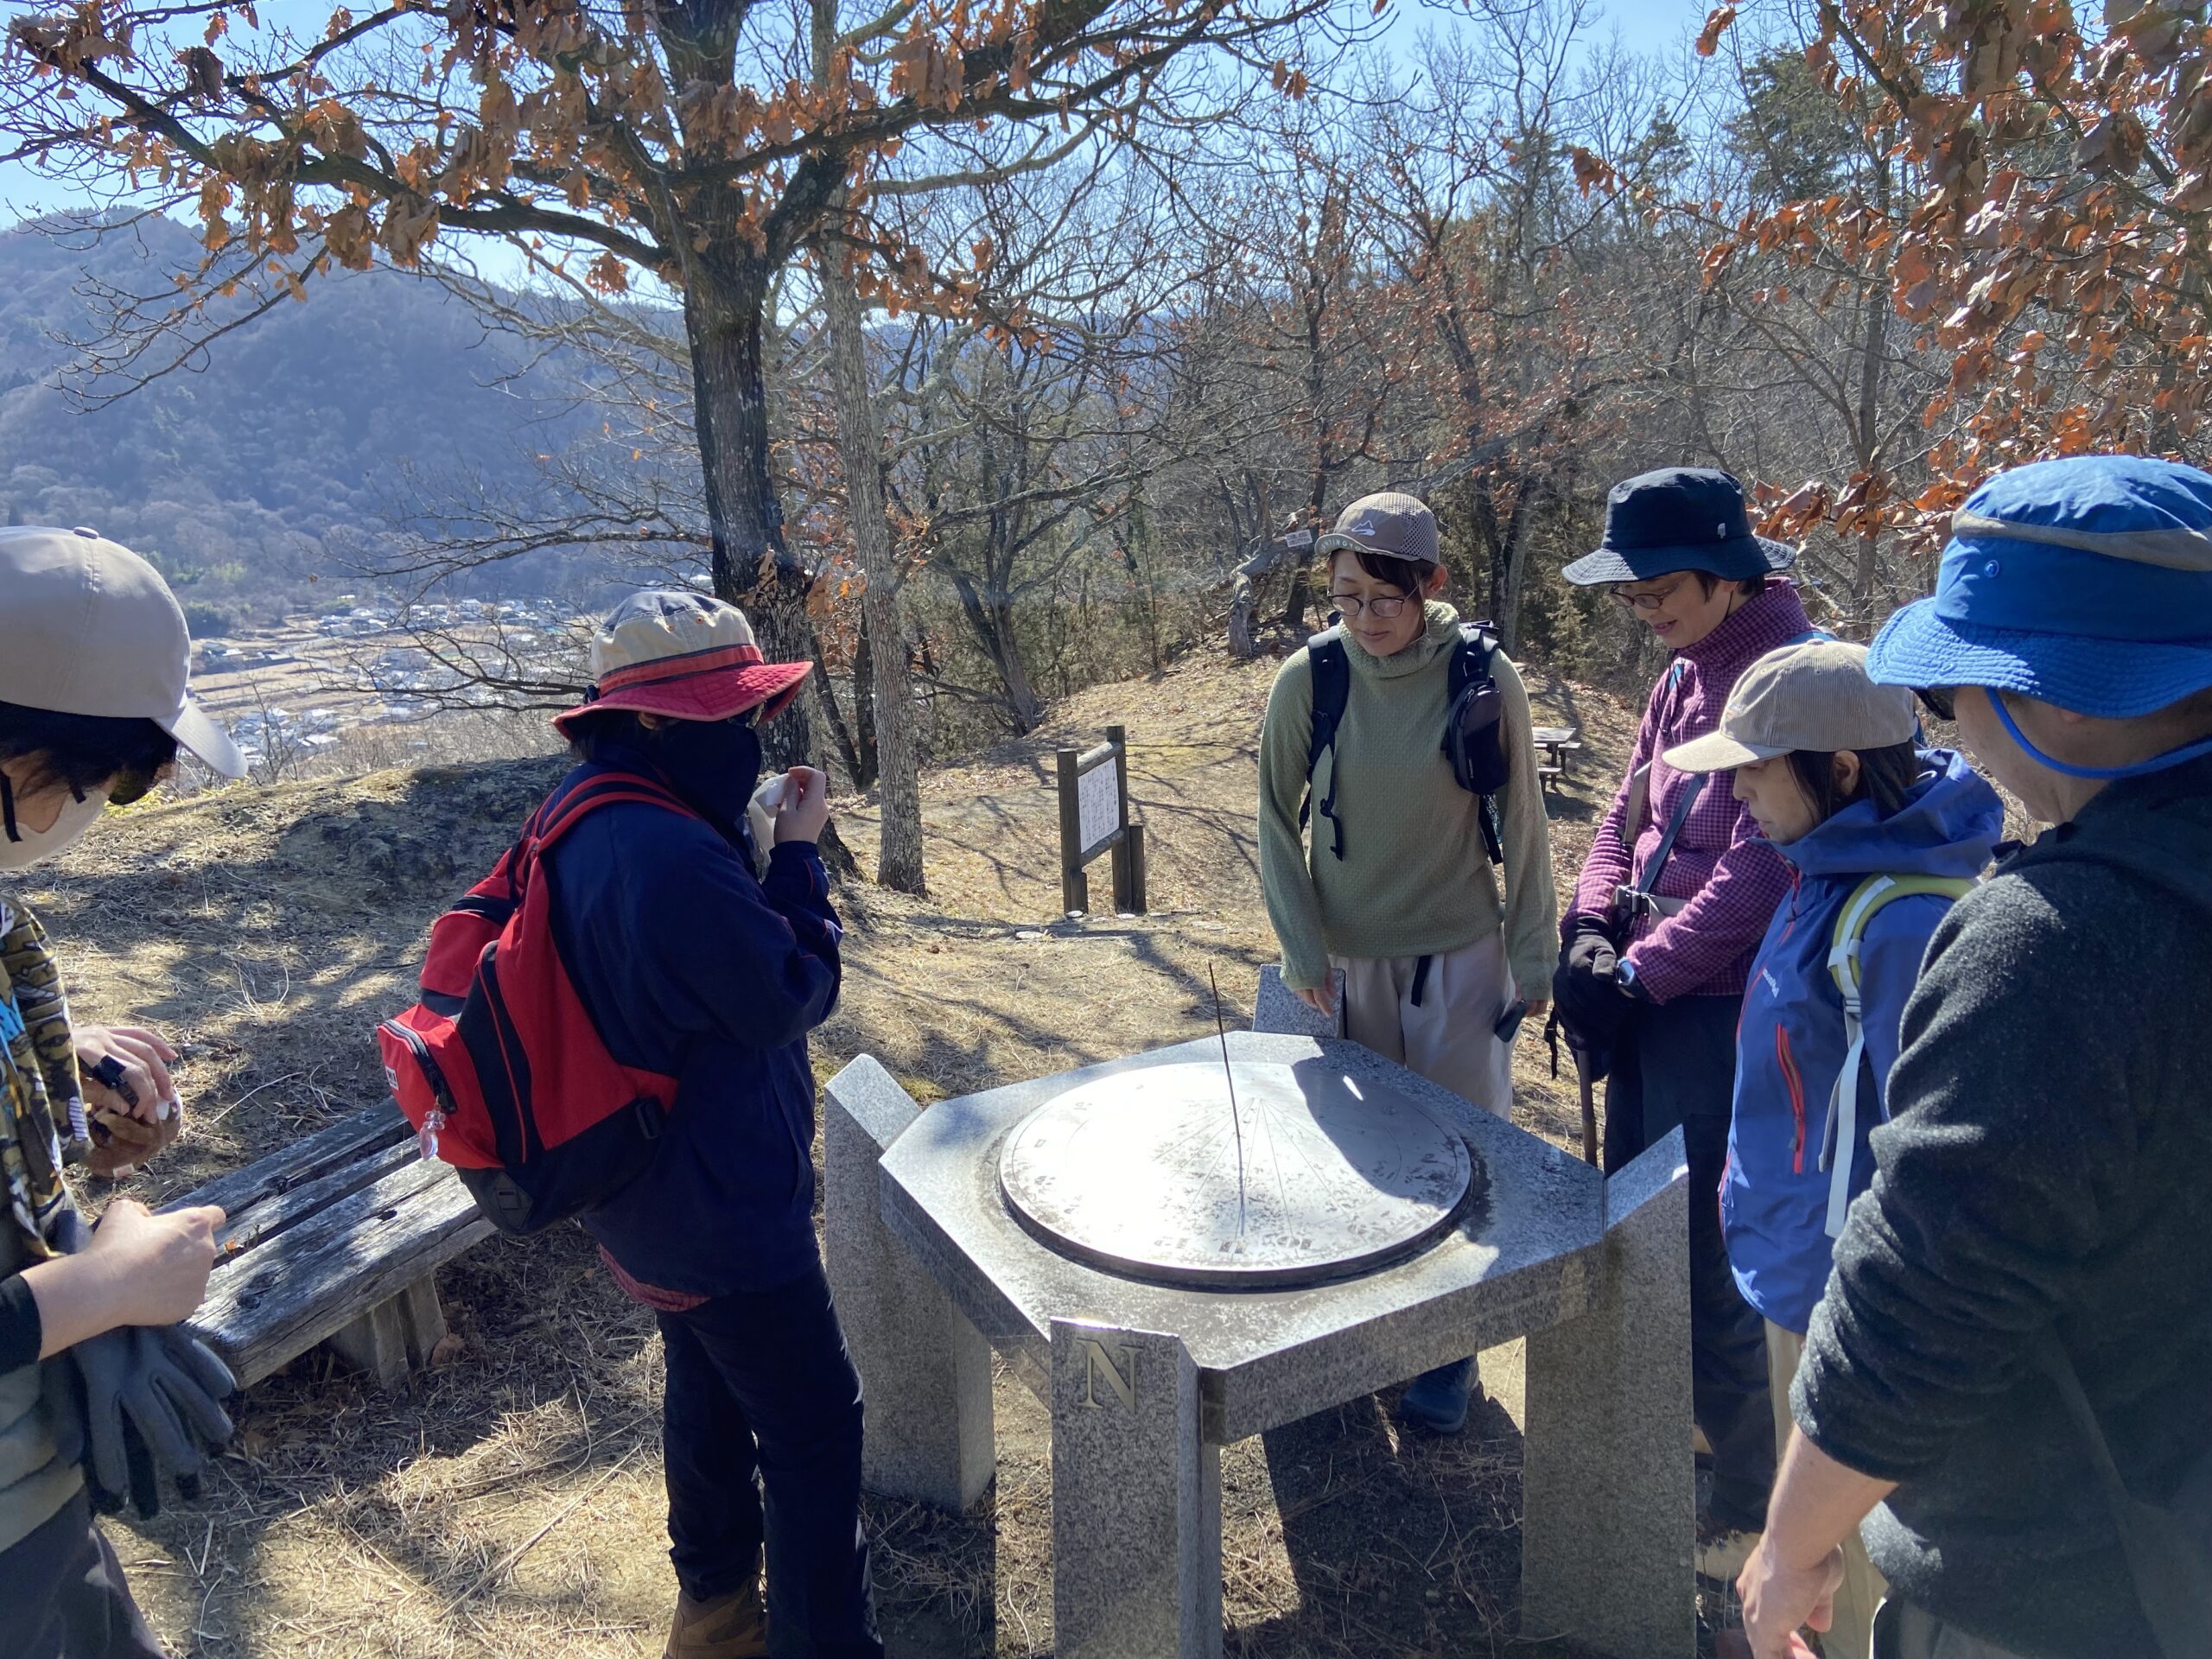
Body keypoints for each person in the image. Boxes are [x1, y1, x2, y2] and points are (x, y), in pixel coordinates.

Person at [1737, 454, 2212, 1659]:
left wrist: (1792, 1545)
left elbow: (1924, 1295)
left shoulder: (2056, 945)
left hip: (2064, 1583)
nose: (1953, 721)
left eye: (1958, 688)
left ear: (2061, 699)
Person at [543, 590, 880, 1659]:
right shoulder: (671, 854)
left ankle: (717, 1609)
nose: (747, 736)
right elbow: (789, 990)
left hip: (637, 1190)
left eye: (751, 712)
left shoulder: (587, 812)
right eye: (729, 717)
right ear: (651, 720)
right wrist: (798, 857)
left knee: (705, 1380)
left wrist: (754, 841)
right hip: (723, 1206)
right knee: (816, 1428)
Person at [1663, 639, 2003, 1659]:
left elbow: (1919, 1159)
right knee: (1812, 1544)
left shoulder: (1900, 919)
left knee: (1841, 1559)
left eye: (1755, 770)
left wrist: (1854, 1299)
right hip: (1793, 1260)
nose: (1735, 793)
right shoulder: (1823, 868)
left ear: (1841, 770)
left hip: (1842, 1296)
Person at [1552, 466, 1816, 1573]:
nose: (1642, 608)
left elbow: (1759, 871)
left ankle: (1752, 1501)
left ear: (1723, 572)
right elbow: (1624, 813)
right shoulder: (1681, 670)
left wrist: (1637, 975)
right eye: (1630, 592)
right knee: (1643, 1219)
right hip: (1651, 989)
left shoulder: (1783, 675)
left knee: (1712, 1252)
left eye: (1657, 587)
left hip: (1722, 1012)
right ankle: (1689, 1432)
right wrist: (1587, 926)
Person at [1257, 491, 1559, 1433]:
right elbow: (1273, 817)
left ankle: (1449, 1351)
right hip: (1350, 961)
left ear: (1430, 585)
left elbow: (1523, 817)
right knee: (1367, 1161)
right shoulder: (1312, 678)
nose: (1364, 618)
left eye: (1384, 599)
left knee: (1466, 1154)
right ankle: (1370, 1330)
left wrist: (1534, 953)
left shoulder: (1480, 673)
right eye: (1346, 597)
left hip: (1461, 954)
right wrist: (1302, 946)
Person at [0, 524, 246, 1657]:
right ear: (17, 761)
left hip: (36, 1499)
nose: (115, 801)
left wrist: (58, 1106)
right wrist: (110, 1286)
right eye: (118, 775)